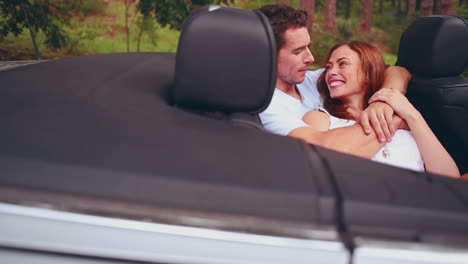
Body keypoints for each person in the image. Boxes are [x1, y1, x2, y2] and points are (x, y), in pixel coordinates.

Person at [258, 4, 411, 159]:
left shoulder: (310, 80)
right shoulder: (266, 107)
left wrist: (384, 102)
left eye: (308, 47)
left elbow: (397, 72)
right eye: (298, 51)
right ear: (268, 54)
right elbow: (320, 150)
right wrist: (392, 120)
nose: (311, 58)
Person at [302, 41, 459, 178]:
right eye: (329, 67)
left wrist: (412, 116)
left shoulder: (403, 116)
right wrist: (396, 121)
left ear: (368, 73)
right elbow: (314, 171)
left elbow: (449, 178)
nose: (331, 72)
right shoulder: (319, 118)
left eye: (343, 64)